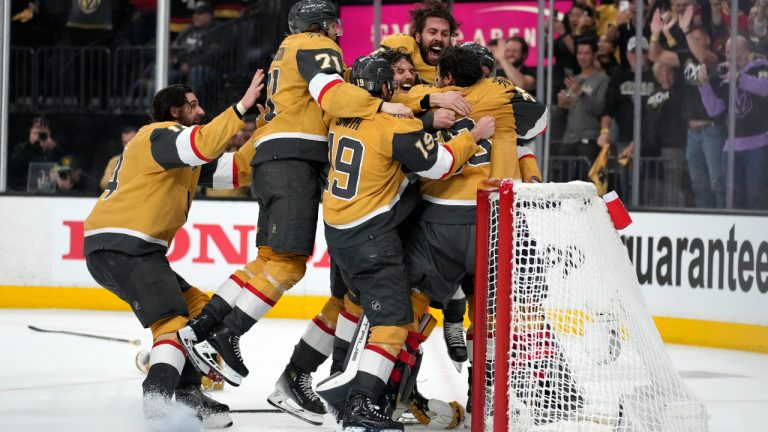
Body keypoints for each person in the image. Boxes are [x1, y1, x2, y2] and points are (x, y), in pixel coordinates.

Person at [175, 0, 412, 423]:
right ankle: (227, 336)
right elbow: (331, 94)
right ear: (318, 25)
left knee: (270, 260)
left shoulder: (285, 53)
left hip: (275, 159)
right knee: (289, 265)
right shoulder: (316, 45)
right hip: (298, 164)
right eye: (333, 25)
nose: (338, 32)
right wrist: (381, 106)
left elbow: (293, 112)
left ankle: (203, 327)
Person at [83, 69, 266, 429]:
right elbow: (204, 144)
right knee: (172, 321)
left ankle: (187, 394)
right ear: (174, 111)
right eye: (193, 106)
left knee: (198, 309)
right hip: (125, 245)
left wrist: (263, 131)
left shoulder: (180, 154)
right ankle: (156, 404)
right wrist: (241, 106)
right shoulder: (160, 135)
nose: (201, 111)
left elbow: (237, 170)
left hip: (127, 248)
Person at [323, 54, 493, 432]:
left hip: (338, 231)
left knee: (363, 308)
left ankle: (354, 383)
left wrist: (425, 119)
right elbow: (439, 165)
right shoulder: (391, 125)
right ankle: (360, 403)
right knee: (394, 321)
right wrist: (474, 135)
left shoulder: (337, 116)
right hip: (370, 235)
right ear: (385, 87)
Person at [401, 45, 548, 427]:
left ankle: (391, 392)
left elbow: (397, 109)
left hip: (441, 220)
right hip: (495, 220)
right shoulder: (503, 94)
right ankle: (483, 406)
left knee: (406, 309)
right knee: (491, 317)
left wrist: (431, 100)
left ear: (448, 76)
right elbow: (539, 123)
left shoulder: (430, 98)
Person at [649, 5, 726, 208]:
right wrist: (655, 34)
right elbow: (655, 56)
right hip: (692, 132)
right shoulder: (685, 57)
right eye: (692, 37)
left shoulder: (717, 58)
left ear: (708, 40)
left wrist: (686, 31)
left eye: (698, 38)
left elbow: (703, 57)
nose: (694, 40)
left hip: (712, 129)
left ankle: (724, 217)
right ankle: (704, 219)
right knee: (698, 183)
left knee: (717, 181)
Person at [698, 36, 768, 209]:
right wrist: (703, 85)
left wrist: (738, 77)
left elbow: (764, 88)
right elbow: (714, 110)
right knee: (733, 200)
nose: (732, 55)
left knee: (756, 197)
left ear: (748, 52)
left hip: (757, 145)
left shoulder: (760, 67)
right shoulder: (726, 76)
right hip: (731, 148)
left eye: (736, 50)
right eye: (728, 51)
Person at [557, 37, 610, 172]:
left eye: (586, 53)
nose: (582, 57)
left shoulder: (603, 79)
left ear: (594, 55)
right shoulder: (574, 79)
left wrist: (581, 93)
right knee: (562, 179)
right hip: (569, 139)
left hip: (589, 139)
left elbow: (600, 109)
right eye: (579, 53)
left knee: (586, 181)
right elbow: (569, 109)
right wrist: (563, 103)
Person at [379, 0, 460, 84]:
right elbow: (371, 73)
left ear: (450, 39)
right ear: (418, 37)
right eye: (432, 32)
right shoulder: (402, 45)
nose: (439, 38)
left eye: (444, 34)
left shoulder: (456, 68)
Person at [9, 115, 62, 192]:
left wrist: (54, 148)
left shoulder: (52, 149)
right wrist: (31, 145)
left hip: (48, 190)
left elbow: (62, 164)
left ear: (49, 132)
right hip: (23, 191)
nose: (40, 131)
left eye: (43, 128)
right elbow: (14, 166)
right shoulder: (20, 148)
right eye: (37, 127)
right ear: (31, 130)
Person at [100, 126, 137, 190]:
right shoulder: (114, 161)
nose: (127, 145)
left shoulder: (146, 159)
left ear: (138, 140)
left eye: (130, 141)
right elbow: (104, 183)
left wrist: (117, 180)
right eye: (125, 142)